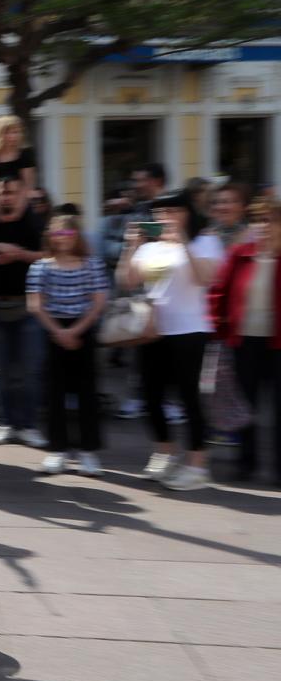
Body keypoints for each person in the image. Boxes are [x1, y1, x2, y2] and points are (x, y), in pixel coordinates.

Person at [118, 189, 224, 490]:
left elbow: (207, 278)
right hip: (152, 331)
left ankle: (197, 466)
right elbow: (127, 281)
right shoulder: (151, 247)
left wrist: (184, 241)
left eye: (171, 211)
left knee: (189, 397)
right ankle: (164, 453)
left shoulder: (206, 241)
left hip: (190, 330)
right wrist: (131, 246)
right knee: (150, 395)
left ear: (187, 212)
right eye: (159, 213)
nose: (164, 218)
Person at [27, 214, 109, 476]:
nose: (63, 239)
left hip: (83, 329)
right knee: (54, 393)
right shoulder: (40, 267)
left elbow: (98, 302)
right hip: (52, 330)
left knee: (87, 391)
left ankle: (87, 451)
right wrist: (59, 332)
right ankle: (57, 450)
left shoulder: (92, 264)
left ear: (77, 235)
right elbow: (35, 305)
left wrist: (75, 331)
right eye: (57, 234)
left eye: (68, 233)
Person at [207, 195, 281, 485]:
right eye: (258, 220)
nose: (263, 225)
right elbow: (218, 293)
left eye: (270, 220)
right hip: (244, 342)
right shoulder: (240, 253)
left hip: (277, 345)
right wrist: (219, 328)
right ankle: (245, 464)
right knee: (245, 407)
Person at [0, 177, 47, 449]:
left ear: (23, 193)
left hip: (28, 306)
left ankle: (27, 425)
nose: (5, 197)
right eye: (0, 192)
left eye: (11, 192)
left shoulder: (34, 221)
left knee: (29, 371)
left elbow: (49, 255)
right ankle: (4, 423)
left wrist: (17, 254)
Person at [0, 115, 38, 197]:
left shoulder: (25, 154)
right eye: (7, 132)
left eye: (16, 132)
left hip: (22, 201)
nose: (13, 136)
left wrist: (18, 207)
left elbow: (29, 185)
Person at [209, 181, 248, 253]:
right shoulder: (208, 236)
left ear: (242, 207)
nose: (221, 207)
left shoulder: (252, 237)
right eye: (218, 202)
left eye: (226, 202)